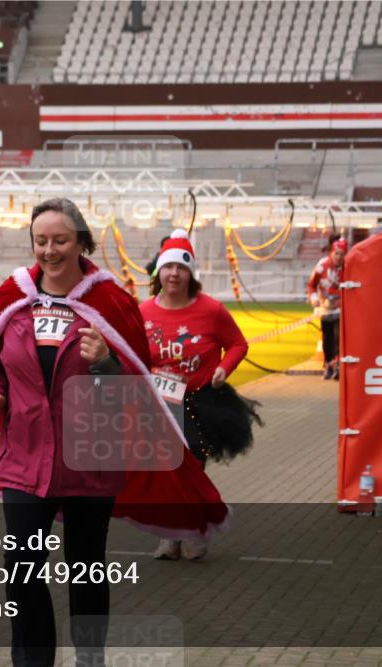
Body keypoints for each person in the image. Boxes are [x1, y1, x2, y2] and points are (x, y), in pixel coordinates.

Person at [0, 199, 228, 666]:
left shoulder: (111, 301)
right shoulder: (13, 295)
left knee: (86, 570)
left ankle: (90, 658)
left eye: (61, 240)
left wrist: (107, 364)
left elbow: (138, 383)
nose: (49, 250)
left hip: (90, 459)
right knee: (22, 574)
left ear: (82, 242)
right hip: (23, 457)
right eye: (41, 240)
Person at [140, 229, 262, 561]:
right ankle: (170, 537)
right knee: (165, 473)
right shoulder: (143, 312)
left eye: (181, 268)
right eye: (167, 268)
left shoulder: (211, 310)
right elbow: (134, 355)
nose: (174, 274)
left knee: (192, 468)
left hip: (200, 403)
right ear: (158, 272)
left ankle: (194, 533)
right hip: (160, 405)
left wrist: (224, 368)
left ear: (191, 273)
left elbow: (238, 344)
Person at [307, 237, 347, 380]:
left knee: (338, 339)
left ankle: (338, 366)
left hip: (341, 310)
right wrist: (314, 299)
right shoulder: (321, 266)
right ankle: (329, 365)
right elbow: (311, 285)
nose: (339, 257)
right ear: (331, 253)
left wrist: (342, 302)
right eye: (336, 253)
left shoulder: (349, 267)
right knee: (327, 339)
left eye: (342, 254)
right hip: (324, 309)